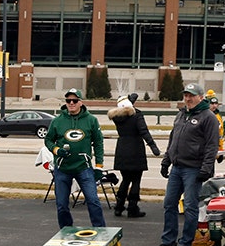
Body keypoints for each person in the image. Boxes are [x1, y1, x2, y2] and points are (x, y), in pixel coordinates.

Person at [152, 83, 219, 246]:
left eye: (192, 95)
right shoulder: (181, 114)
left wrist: (206, 168)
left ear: (201, 97)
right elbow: (173, 139)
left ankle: (186, 243)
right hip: (177, 166)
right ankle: (168, 241)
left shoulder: (208, 117)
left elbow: (212, 146)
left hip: (194, 168)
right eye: (186, 95)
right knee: (169, 204)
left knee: (190, 206)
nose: (188, 99)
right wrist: (166, 161)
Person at [44, 88, 106, 228]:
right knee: (61, 205)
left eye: (74, 100)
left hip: (83, 168)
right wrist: (56, 150)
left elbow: (98, 143)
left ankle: (101, 231)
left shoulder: (91, 120)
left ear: (81, 102)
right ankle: (66, 231)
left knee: (93, 200)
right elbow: (48, 140)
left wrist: (99, 166)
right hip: (62, 169)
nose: (71, 103)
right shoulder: (57, 121)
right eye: (68, 100)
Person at [108, 94, 159, 218]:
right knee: (136, 180)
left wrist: (129, 102)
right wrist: (153, 146)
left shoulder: (117, 117)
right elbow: (143, 131)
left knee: (125, 179)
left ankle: (119, 207)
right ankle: (132, 207)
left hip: (122, 148)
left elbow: (126, 112)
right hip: (136, 148)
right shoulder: (137, 116)